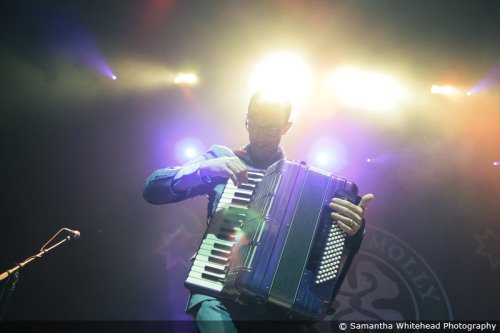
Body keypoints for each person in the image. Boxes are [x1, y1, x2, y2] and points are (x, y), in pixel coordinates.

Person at [143, 91, 374, 332]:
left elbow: (327, 249)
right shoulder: (223, 159)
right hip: (216, 293)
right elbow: (152, 189)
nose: (259, 136)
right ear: (246, 119)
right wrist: (204, 168)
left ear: (286, 128)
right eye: (253, 125)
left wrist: (355, 230)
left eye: (270, 129)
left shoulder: (307, 187)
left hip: (275, 308)